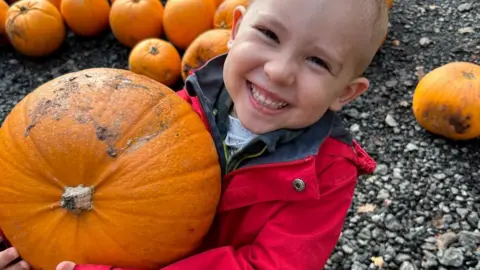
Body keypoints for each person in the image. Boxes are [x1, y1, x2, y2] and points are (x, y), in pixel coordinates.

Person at [0, 0, 388, 269]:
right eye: (269, 34)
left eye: (317, 61)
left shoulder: (327, 177)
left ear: (344, 93)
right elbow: (35, 182)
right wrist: (13, 245)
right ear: (235, 30)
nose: (278, 71)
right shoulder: (166, 112)